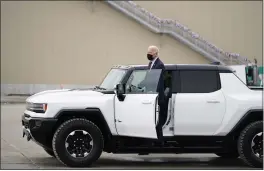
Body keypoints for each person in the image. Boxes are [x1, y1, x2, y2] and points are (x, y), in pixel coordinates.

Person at [146, 45, 166, 143]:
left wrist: (152, 91)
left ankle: (160, 142)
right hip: (150, 95)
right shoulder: (150, 64)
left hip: (157, 96)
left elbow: (159, 82)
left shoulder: (159, 65)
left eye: (150, 52)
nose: (148, 54)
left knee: (157, 119)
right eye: (148, 52)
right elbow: (148, 79)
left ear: (156, 53)